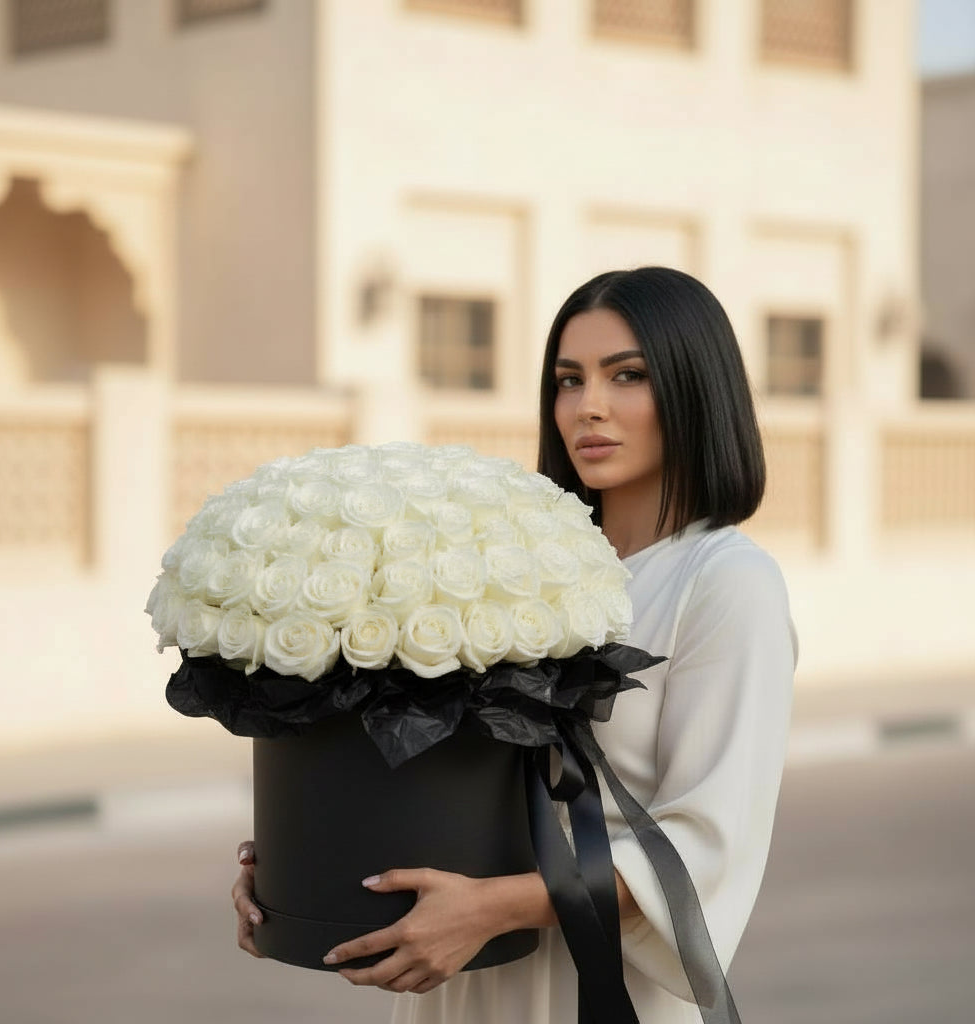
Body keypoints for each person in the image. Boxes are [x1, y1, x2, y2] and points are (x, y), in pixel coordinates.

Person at [232, 266, 797, 1023]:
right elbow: (442, 763)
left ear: (695, 389)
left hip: (597, 985)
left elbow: (706, 845)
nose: (588, 407)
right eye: (568, 380)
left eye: (626, 375)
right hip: (461, 969)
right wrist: (298, 865)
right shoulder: (513, 560)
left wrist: (491, 908)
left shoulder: (726, 582)